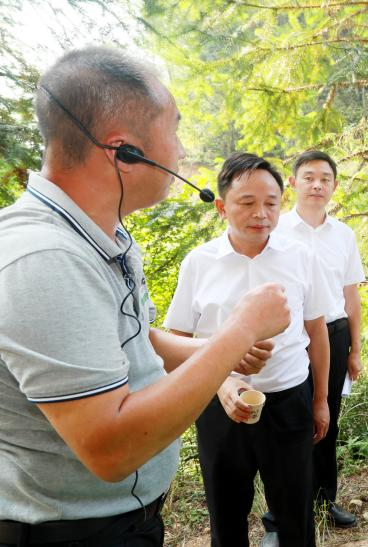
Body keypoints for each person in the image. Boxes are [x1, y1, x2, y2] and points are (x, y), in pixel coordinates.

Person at [0, 48, 290, 546]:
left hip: (118, 522)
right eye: (174, 130)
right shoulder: (46, 260)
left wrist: (212, 350)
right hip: (75, 535)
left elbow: (133, 339)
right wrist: (239, 331)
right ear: (124, 153)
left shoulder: (101, 234)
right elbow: (110, 449)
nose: (181, 150)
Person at [163, 153, 332, 547]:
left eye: (271, 203)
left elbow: (317, 331)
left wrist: (320, 399)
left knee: (296, 515)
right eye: (247, 202)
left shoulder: (301, 257)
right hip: (219, 406)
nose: (261, 214)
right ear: (222, 207)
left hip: (288, 401)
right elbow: (176, 342)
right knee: (226, 517)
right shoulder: (199, 263)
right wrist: (220, 381)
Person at [275, 150, 365, 528]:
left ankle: (324, 503)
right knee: (288, 423)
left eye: (325, 179)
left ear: (334, 186)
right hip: (290, 339)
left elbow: (351, 296)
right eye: (309, 177)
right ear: (293, 183)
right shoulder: (276, 230)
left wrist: (356, 349)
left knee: (327, 421)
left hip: (334, 335)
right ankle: (282, 514)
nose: (317, 185)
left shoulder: (343, 235)